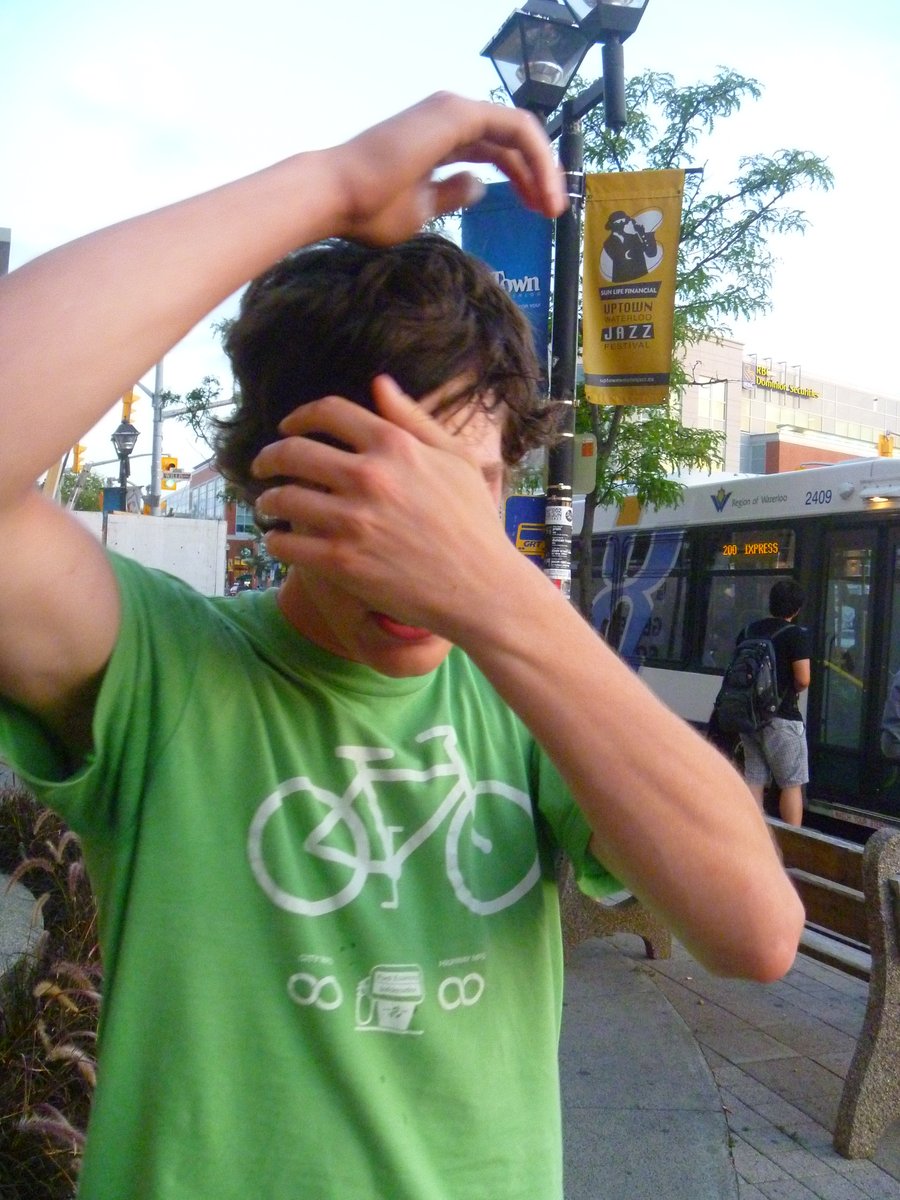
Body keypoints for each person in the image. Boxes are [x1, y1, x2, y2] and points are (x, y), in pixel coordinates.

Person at [0, 92, 804, 1200]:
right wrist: (327, 185)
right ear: (268, 481)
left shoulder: (521, 688)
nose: (424, 542)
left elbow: (756, 932)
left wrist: (502, 603)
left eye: (466, 487)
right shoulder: (157, 665)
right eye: (373, 481)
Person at [737, 580, 811, 827]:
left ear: (771, 603)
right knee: (791, 784)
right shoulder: (795, 636)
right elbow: (803, 678)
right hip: (782, 718)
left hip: (749, 717)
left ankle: (753, 839)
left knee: (755, 779)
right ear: (797, 609)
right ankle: (793, 844)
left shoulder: (748, 631)